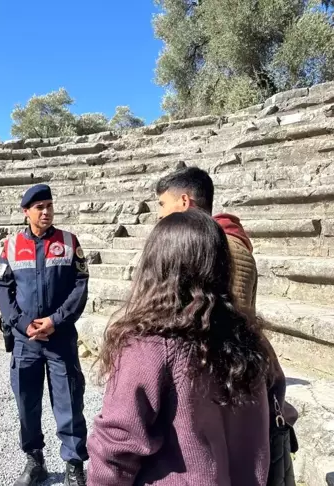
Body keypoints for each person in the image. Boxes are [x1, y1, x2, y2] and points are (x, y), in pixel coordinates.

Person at [87, 209, 290, 485]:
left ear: (155, 267)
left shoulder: (149, 347)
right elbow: (280, 406)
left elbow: (116, 447)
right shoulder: (252, 339)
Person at [0, 184, 90, 486]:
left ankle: (74, 465)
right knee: (27, 402)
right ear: (26, 212)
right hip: (25, 341)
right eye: (39, 207)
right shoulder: (9, 245)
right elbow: (1, 288)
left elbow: (80, 285)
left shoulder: (69, 242)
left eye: (49, 205)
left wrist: (55, 321)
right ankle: (35, 461)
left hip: (59, 338)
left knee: (70, 401)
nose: (46, 211)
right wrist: (22, 324)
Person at [155, 166, 257, 316]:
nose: (160, 215)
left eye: (162, 204)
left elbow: (228, 321)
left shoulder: (220, 247)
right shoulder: (220, 243)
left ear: (184, 201)